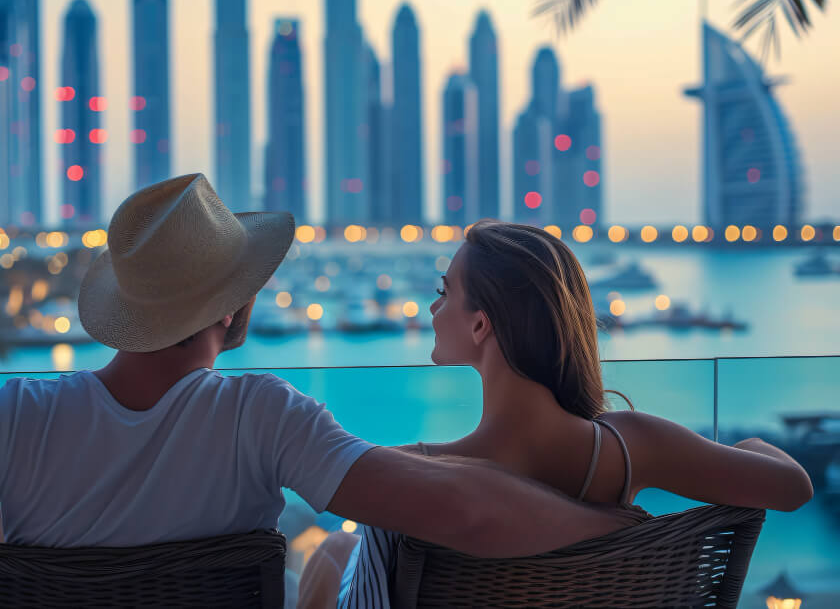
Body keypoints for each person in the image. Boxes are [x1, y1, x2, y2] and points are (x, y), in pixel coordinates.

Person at [0, 176, 640, 608]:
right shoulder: (262, 415)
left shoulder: (12, 417)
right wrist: (615, 526)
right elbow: (464, 512)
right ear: (236, 304)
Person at [299, 220, 814, 609]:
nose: (433, 309)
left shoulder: (431, 472)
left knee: (330, 555)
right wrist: (748, 448)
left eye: (444, 292)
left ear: (481, 326)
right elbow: (792, 488)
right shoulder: (628, 449)